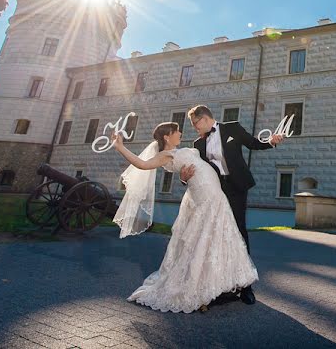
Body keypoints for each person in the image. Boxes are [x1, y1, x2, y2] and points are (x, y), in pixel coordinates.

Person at [109, 122, 258, 313]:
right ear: (166, 137)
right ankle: (203, 288)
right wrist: (120, 147)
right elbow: (142, 164)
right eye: (177, 131)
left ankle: (222, 285)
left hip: (216, 195)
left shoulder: (186, 148)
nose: (181, 132)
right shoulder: (165, 155)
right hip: (205, 199)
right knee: (204, 239)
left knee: (219, 238)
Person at [179, 105, 283, 305]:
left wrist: (271, 142)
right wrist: (184, 179)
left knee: (239, 231)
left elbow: (254, 143)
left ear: (205, 118)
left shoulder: (232, 128)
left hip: (236, 188)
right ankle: (220, 285)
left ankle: (246, 287)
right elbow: (194, 172)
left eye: (195, 124)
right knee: (217, 235)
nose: (195, 128)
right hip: (215, 192)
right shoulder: (197, 144)